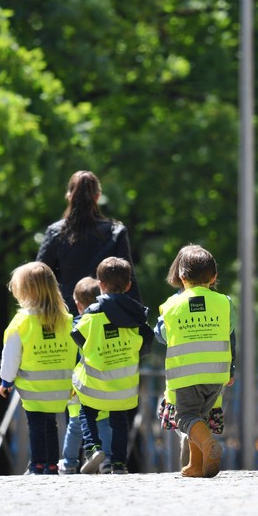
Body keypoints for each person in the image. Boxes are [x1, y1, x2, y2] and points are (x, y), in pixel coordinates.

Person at [155, 244, 236, 478]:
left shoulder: (171, 306)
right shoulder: (224, 302)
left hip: (186, 373)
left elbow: (161, 335)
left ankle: (209, 444)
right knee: (199, 416)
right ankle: (196, 465)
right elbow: (230, 333)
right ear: (214, 277)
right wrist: (231, 368)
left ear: (181, 277)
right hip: (216, 374)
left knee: (186, 417)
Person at [72, 257, 154, 475]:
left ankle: (93, 448)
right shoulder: (136, 315)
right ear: (128, 285)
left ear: (100, 284)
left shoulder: (92, 313)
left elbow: (77, 336)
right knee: (120, 422)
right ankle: (118, 463)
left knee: (86, 411)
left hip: (95, 384)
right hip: (124, 386)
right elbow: (145, 344)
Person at [0, 262, 76, 475]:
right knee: (51, 425)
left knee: (37, 425)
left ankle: (38, 464)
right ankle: (51, 464)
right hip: (61, 387)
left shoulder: (21, 321)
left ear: (25, 291)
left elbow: (11, 355)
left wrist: (6, 381)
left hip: (33, 388)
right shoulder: (67, 321)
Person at [37, 170, 141, 314]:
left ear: (69, 196)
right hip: (108, 314)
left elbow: (39, 278)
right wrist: (138, 316)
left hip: (66, 315)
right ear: (97, 197)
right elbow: (126, 277)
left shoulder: (55, 232)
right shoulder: (115, 231)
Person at [59, 276, 113, 475]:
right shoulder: (104, 323)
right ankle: (107, 459)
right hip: (102, 381)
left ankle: (69, 462)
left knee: (75, 425)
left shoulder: (72, 326)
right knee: (104, 422)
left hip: (78, 384)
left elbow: (69, 355)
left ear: (77, 303)